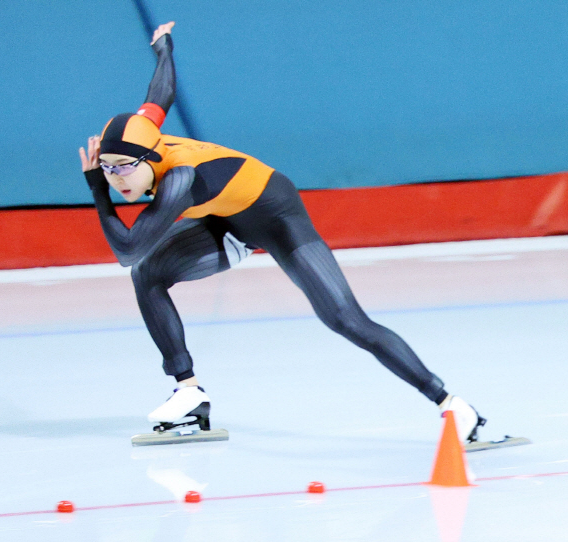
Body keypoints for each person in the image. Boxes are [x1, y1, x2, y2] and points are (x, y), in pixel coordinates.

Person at [78, 22, 485, 442]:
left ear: (152, 155)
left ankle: (452, 404)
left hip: (277, 216)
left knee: (346, 319)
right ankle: (188, 394)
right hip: (227, 218)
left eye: (124, 167)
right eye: (107, 168)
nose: (116, 178)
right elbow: (159, 95)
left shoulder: (178, 179)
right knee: (146, 275)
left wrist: (95, 188)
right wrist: (164, 48)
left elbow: (127, 247)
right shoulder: (147, 135)